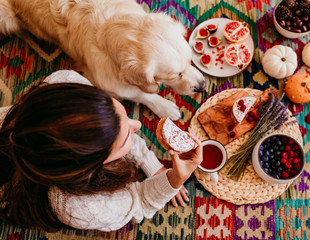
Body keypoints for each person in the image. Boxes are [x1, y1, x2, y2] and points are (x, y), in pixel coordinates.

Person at [0, 70, 202, 232]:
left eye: (118, 111)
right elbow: (138, 201)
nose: (139, 124)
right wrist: (174, 179)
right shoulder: (81, 207)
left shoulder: (66, 82)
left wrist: (152, 166)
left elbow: (110, 130)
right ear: (90, 167)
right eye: (125, 140)